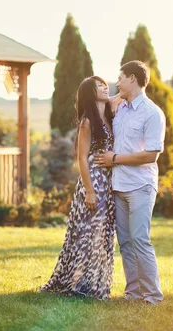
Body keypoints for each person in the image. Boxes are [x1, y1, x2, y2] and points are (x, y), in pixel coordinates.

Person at [95, 60, 166, 305]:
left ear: (133, 79)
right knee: (125, 242)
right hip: (119, 186)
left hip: (141, 186)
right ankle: (133, 292)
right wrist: (113, 98)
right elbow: (98, 107)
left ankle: (153, 295)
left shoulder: (152, 113)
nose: (117, 82)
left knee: (139, 239)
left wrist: (115, 159)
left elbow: (151, 154)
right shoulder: (120, 108)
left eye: (121, 78)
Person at [39, 76, 116, 300]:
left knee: (103, 235)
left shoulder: (109, 116)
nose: (104, 87)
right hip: (93, 182)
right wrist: (90, 191)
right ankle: (81, 284)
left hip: (108, 184)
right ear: (90, 94)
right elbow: (82, 159)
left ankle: (97, 285)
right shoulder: (87, 122)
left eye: (105, 84)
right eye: (98, 86)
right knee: (89, 234)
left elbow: (120, 96)